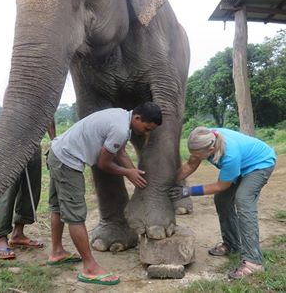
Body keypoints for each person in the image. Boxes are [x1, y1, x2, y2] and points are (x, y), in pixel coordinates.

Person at [46, 102, 162, 286]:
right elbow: (103, 164)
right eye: (146, 128)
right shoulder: (120, 129)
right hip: (67, 161)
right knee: (75, 215)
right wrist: (127, 173)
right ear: (138, 118)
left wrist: (134, 174)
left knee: (58, 208)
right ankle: (90, 268)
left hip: (57, 153)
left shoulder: (122, 115)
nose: (146, 132)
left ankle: (57, 252)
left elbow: (121, 152)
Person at [169, 126, 275, 279]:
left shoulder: (230, 154)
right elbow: (191, 165)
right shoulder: (204, 138)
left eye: (199, 155)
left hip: (260, 164)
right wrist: (168, 182)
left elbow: (221, 185)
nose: (195, 157)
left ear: (211, 149)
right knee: (222, 200)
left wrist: (188, 191)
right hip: (242, 164)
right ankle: (232, 245)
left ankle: (253, 262)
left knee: (243, 200)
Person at [0, 120, 56, 260]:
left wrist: (54, 141)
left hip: (33, 143)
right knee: (9, 190)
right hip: (12, 143)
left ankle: (18, 234)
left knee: (31, 190)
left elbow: (48, 115)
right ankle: (1, 237)